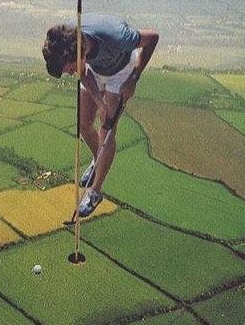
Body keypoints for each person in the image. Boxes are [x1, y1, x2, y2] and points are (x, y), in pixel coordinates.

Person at [42, 14, 158, 217]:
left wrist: (134, 78)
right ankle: (98, 161)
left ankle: (95, 191)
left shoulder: (117, 37)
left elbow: (153, 38)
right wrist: (99, 102)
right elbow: (82, 71)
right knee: (84, 125)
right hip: (93, 69)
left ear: (78, 54)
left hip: (121, 71)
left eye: (71, 69)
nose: (72, 74)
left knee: (107, 129)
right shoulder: (69, 38)